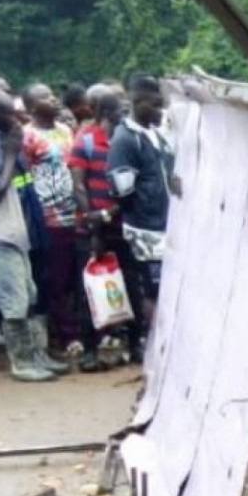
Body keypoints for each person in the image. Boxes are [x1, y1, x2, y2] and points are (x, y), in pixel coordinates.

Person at [0, 88, 64, 381]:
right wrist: (10, 153)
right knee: (13, 300)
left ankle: (37, 354)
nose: (14, 118)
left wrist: (11, 150)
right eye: (6, 113)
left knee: (29, 295)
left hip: (13, 230)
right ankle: (22, 362)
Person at [69, 84, 145, 367]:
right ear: (104, 113)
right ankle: (90, 351)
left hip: (123, 226)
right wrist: (93, 219)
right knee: (89, 288)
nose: (124, 116)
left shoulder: (128, 141)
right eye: (119, 112)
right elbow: (77, 184)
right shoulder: (85, 141)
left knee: (132, 287)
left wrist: (113, 213)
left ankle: (135, 344)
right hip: (92, 230)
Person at [107, 74, 176, 355]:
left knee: (166, 285)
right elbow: (121, 190)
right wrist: (143, 207)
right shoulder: (125, 140)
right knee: (152, 287)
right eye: (155, 105)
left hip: (164, 224)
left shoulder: (156, 135)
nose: (161, 110)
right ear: (138, 102)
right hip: (145, 228)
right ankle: (154, 343)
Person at [21, 82, 85, 366]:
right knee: (54, 279)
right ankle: (66, 336)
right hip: (48, 216)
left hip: (74, 212)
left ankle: (80, 330)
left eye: (52, 93)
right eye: (45, 97)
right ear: (32, 107)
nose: (53, 99)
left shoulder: (65, 130)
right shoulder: (27, 136)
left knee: (76, 276)